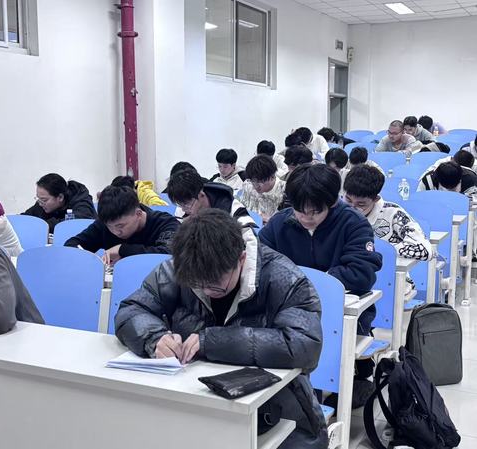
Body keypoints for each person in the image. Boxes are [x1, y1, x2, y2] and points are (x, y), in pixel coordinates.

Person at [115, 209, 328, 449]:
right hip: (192, 401)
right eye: (197, 285)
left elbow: (304, 345)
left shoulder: (284, 278)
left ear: (241, 259)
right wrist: (155, 338)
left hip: (275, 409)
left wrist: (212, 341)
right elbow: (132, 309)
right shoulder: (182, 266)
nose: (206, 291)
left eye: (216, 286)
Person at [259, 163, 382, 406]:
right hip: (290, 312)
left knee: (320, 355)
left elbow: (361, 273)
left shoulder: (353, 223)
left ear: (332, 202)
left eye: (315, 211)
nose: (307, 217)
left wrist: (309, 282)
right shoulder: (279, 224)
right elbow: (259, 264)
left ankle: (349, 383)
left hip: (340, 311)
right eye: (300, 210)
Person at [343, 165, 432, 296]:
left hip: (389, 280)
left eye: (361, 204)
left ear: (376, 199)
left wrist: (384, 251)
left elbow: (425, 250)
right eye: (348, 200)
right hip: (348, 278)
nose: (352, 208)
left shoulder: (394, 214)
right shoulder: (338, 211)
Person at [64, 186, 179, 265]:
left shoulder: (165, 223)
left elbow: (168, 254)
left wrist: (122, 249)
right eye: (110, 227)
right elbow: (72, 245)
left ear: (138, 213)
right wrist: (94, 261)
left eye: (120, 226)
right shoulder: (104, 224)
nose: (116, 232)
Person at [23, 173, 97, 233]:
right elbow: (25, 219)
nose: (40, 203)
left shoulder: (80, 201)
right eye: (38, 198)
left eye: (44, 200)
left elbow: (74, 224)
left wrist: (41, 226)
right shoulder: (42, 203)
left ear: (60, 197)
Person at [240, 155, 286, 224]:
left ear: (272, 176)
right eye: (253, 180)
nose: (256, 185)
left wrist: (271, 220)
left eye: (260, 181)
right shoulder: (248, 185)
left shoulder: (285, 191)